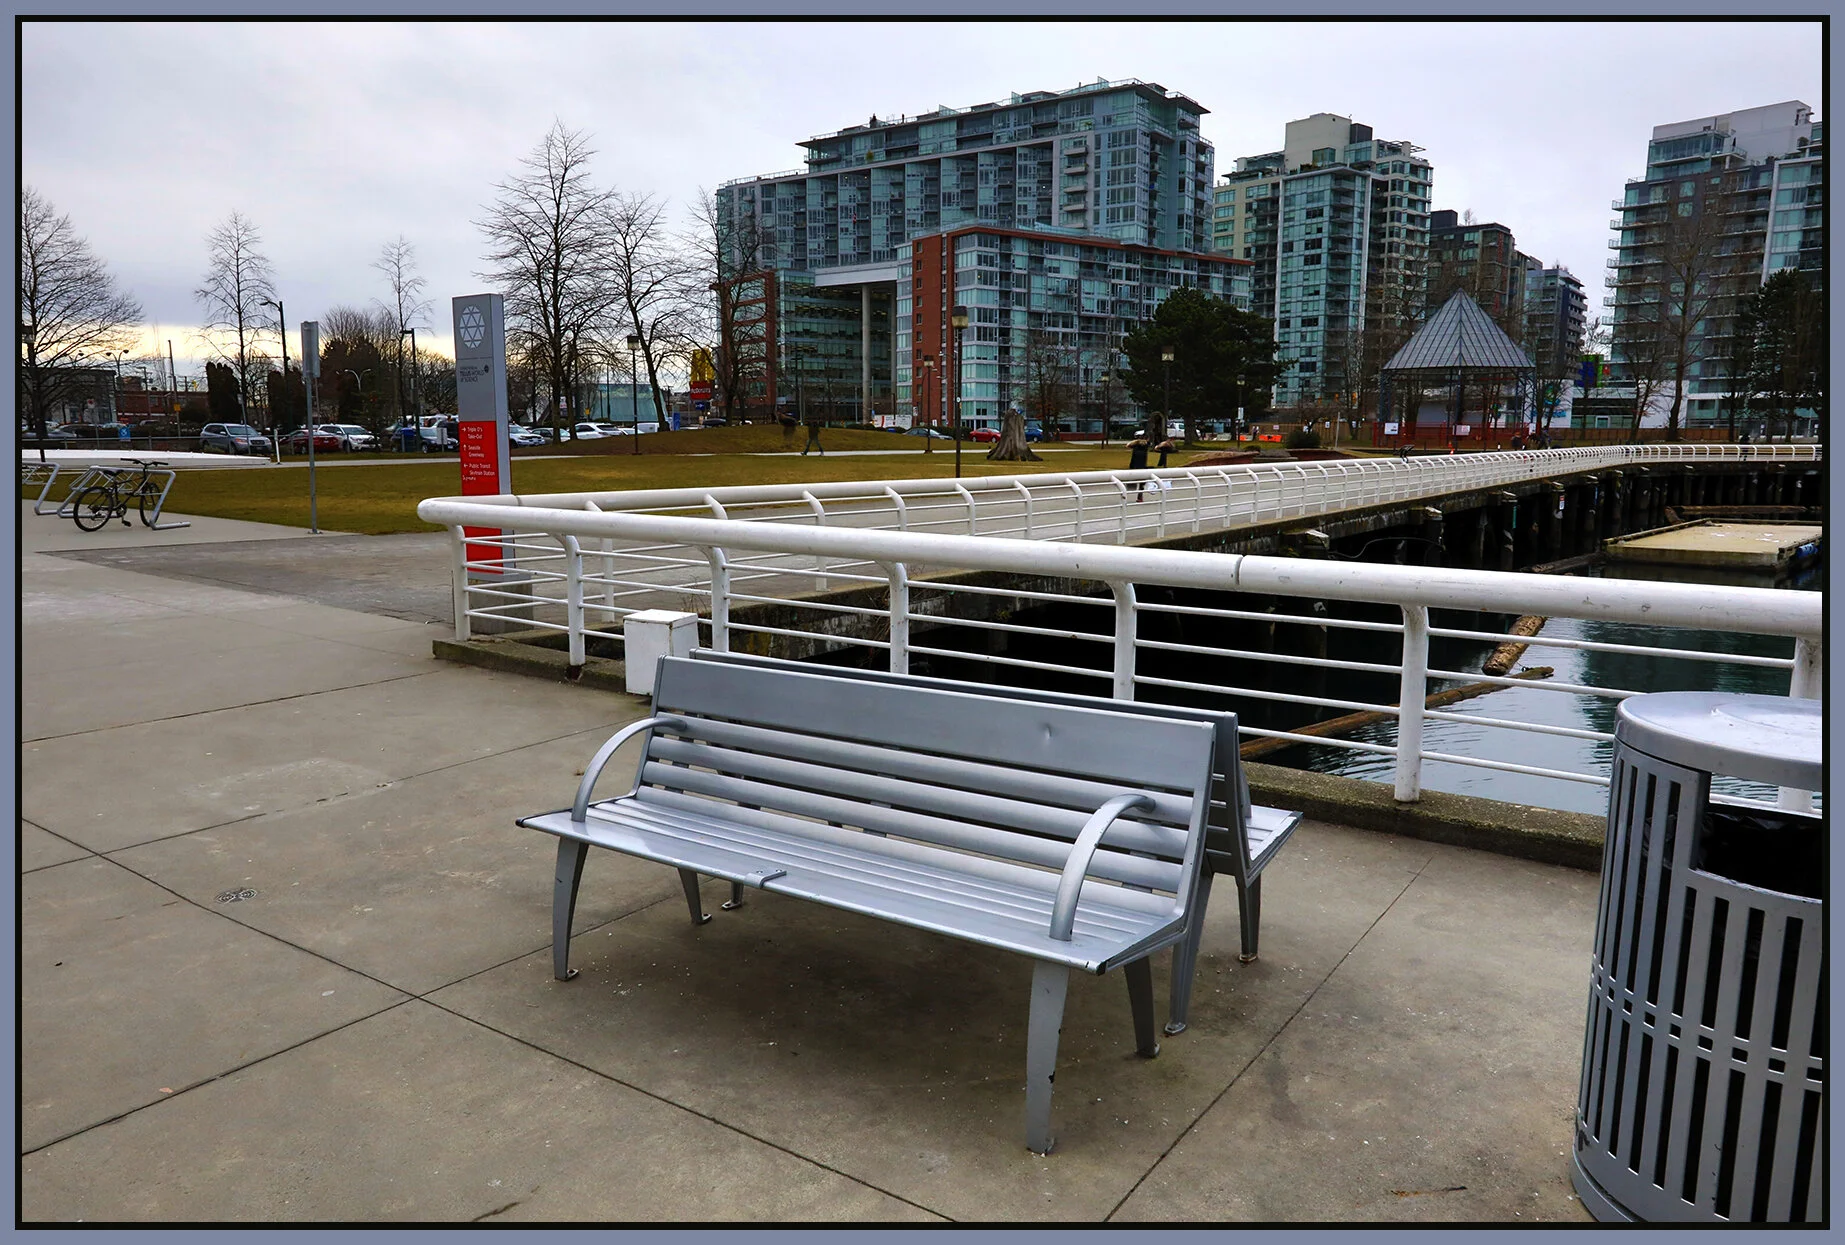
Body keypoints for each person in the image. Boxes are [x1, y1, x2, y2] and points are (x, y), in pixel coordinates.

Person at [1127, 430, 1150, 499]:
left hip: (1134, 464)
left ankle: (1128, 492)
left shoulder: (1136, 445)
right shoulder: (1146, 445)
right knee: (1142, 481)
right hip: (1142, 464)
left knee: (1133, 478)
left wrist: (1136, 441)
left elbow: (1128, 445)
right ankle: (1140, 495)